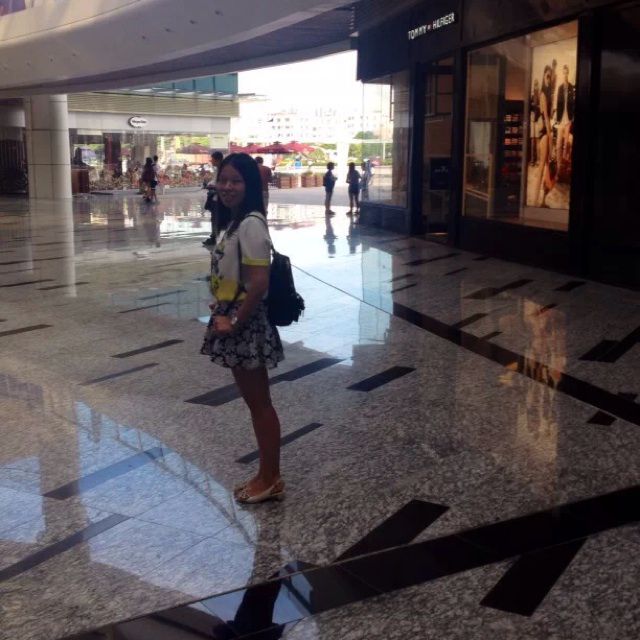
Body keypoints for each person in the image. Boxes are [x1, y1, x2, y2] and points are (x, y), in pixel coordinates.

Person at [200, 153, 285, 504]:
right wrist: (223, 300)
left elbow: (260, 282)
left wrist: (235, 320)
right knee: (256, 402)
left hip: (246, 324)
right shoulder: (235, 221)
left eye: (235, 181)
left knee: (260, 404)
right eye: (223, 180)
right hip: (235, 314)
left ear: (249, 184)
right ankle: (266, 475)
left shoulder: (250, 224)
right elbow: (238, 275)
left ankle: (270, 478)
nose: (227, 187)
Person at [534, 65, 556, 207]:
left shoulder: (548, 95)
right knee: (542, 167)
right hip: (544, 134)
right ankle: (535, 201)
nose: (548, 79)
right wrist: (551, 140)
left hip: (547, 133)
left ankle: (541, 201)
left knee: (547, 168)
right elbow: (546, 118)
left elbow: (550, 117)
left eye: (550, 77)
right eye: (547, 76)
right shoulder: (542, 94)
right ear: (543, 76)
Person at [555, 64, 575, 178]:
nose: (565, 74)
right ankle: (558, 168)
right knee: (558, 144)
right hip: (560, 120)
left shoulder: (571, 87)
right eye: (564, 72)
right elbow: (558, 104)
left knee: (566, 145)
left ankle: (563, 168)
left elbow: (573, 104)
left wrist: (572, 118)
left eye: (566, 72)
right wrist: (557, 119)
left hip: (568, 120)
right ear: (562, 73)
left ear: (568, 73)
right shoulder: (560, 88)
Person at [203, 151, 225, 247]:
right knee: (214, 218)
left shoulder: (223, 170)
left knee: (217, 219)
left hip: (220, 198)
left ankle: (216, 238)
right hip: (215, 197)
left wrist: (212, 187)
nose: (211, 161)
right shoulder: (218, 169)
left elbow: (222, 184)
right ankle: (214, 236)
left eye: (212, 159)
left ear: (217, 160)